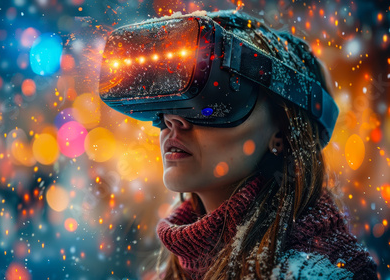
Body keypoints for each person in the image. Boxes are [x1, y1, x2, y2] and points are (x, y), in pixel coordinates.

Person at [98, 10, 378, 279]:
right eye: (166, 104)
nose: (173, 120)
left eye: (211, 103)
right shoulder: (175, 272)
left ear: (282, 132)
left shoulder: (325, 273)